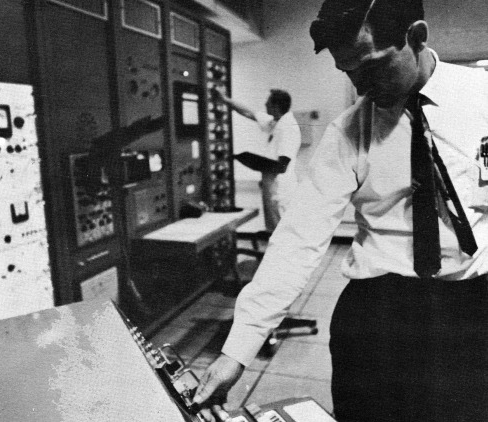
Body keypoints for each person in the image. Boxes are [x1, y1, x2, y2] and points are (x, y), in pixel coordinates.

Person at [194, 0, 488, 421]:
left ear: (416, 37)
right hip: (380, 307)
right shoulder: (347, 132)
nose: (362, 87)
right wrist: (237, 350)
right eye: (349, 73)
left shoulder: (482, 96)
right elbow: (299, 238)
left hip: (472, 303)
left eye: (371, 67)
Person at [213, 86, 301, 232]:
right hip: (271, 186)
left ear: (276, 106)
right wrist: (225, 99)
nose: (265, 104)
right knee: (273, 230)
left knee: (281, 233)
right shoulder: (276, 122)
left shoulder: (288, 128)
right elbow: (249, 113)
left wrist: (251, 161)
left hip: (280, 191)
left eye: (268, 102)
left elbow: (282, 166)